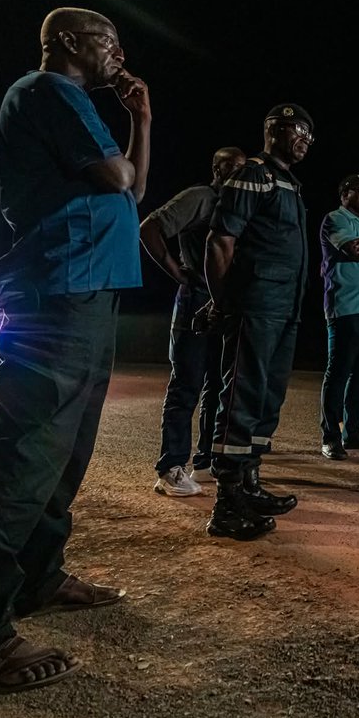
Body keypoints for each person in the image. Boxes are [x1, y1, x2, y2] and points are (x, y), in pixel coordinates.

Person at [0, 8, 150, 697]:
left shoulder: (77, 105)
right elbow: (119, 180)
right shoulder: (46, 91)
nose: (118, 50)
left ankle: (38, 577)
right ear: (66, 44)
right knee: (26, 452)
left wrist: (143, 119)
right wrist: (123, 145)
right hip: (59, 290)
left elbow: (134, 188)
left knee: (67, 448)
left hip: (89, 290)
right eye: (106, 40)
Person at [199, 104, 312, 540]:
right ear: (274, 130)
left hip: (285, 307)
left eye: (310, 134)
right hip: (256, 304)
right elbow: (220, 240)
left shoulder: (290, 182)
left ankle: (249, 484)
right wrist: (224, 301)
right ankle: (226, 504)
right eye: (299, 129)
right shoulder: (254, 174)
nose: (305, 139)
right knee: (243, 396)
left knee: (268, 396)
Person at [140, 146, 246, 495]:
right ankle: (170, 467)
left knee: (219, 385)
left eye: (242, 168)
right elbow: (150, 228)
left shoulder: (240, 205)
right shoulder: (201, 197)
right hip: (197, 299)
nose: (236, 172)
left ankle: (207, 457)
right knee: (187, 383)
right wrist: (177, 272)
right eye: (229, 166)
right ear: (216, 169)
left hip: (226, 305)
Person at [318, 174, 359, 461]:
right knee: (339, 372)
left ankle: (352, 431)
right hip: (345, 307)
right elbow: (354, 250)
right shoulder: (335, 218)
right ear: (344, 195)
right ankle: (330, 436)